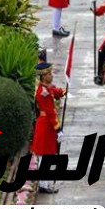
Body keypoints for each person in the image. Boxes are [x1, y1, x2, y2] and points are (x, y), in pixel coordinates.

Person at [31, 62, 65, 194]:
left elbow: (54, 92)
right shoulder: (42, 92)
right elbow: (50, 112)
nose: (51, 75)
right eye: (49, 73)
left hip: (46, 125)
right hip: (46, 126)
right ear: (43, 76)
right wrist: (58, 128)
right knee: (44, 157)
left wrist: (63, 91)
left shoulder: (45, 88)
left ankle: (43, 183)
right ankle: (43, 184)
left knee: (46, 156)